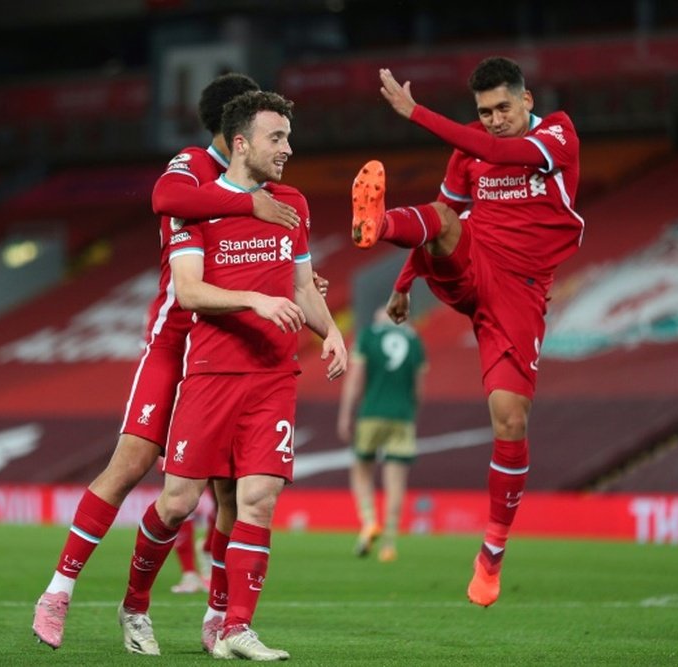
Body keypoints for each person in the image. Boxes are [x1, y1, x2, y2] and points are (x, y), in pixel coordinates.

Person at [31, 72, 312, 652]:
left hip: (231, 351)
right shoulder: (191, 166)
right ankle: (59, 590)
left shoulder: (272, 191)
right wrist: (247, 206)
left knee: (235, 497)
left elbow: (280, 261)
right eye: (263, 127)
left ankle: (220, 619)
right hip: (176, 345)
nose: (276, 141)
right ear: (234, 130)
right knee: (133, 463)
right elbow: (165, 199)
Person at [116, 89, 347, 661]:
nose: (287, 148)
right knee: (176, 504)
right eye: (277, 138)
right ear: (241, 142)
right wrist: (254, 301)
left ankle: (233, 627)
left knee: (259, 499)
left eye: (289, 137)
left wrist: (333, 331)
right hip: (212, 372)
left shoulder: (292, 202)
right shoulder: (195, 204)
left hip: (273, 376)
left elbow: (300, 287)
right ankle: (135, 606)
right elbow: (190, 291)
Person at [350, 57, 584, 607]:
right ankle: (378, 224)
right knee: (447, 219)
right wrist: (405, 283)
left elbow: (503, 152)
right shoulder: (469, 150)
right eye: (485, 112)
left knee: (510, 418)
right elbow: (442, 213)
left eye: (504, 107)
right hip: (473, 263)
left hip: (519, 294)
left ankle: (491, 555)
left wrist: (415, 113)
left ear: (527, 101)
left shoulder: (558, 134)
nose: (495, 120)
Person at [337, 305, 427, 563]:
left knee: (361, 469)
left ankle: (368, 520)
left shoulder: (368, 336)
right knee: (396, 481)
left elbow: (354, 379)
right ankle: (389, 543)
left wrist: (345, 414)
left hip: (371, 414)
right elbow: (419, 389)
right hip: (402, 417)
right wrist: (412, 414)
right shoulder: (415, 341)